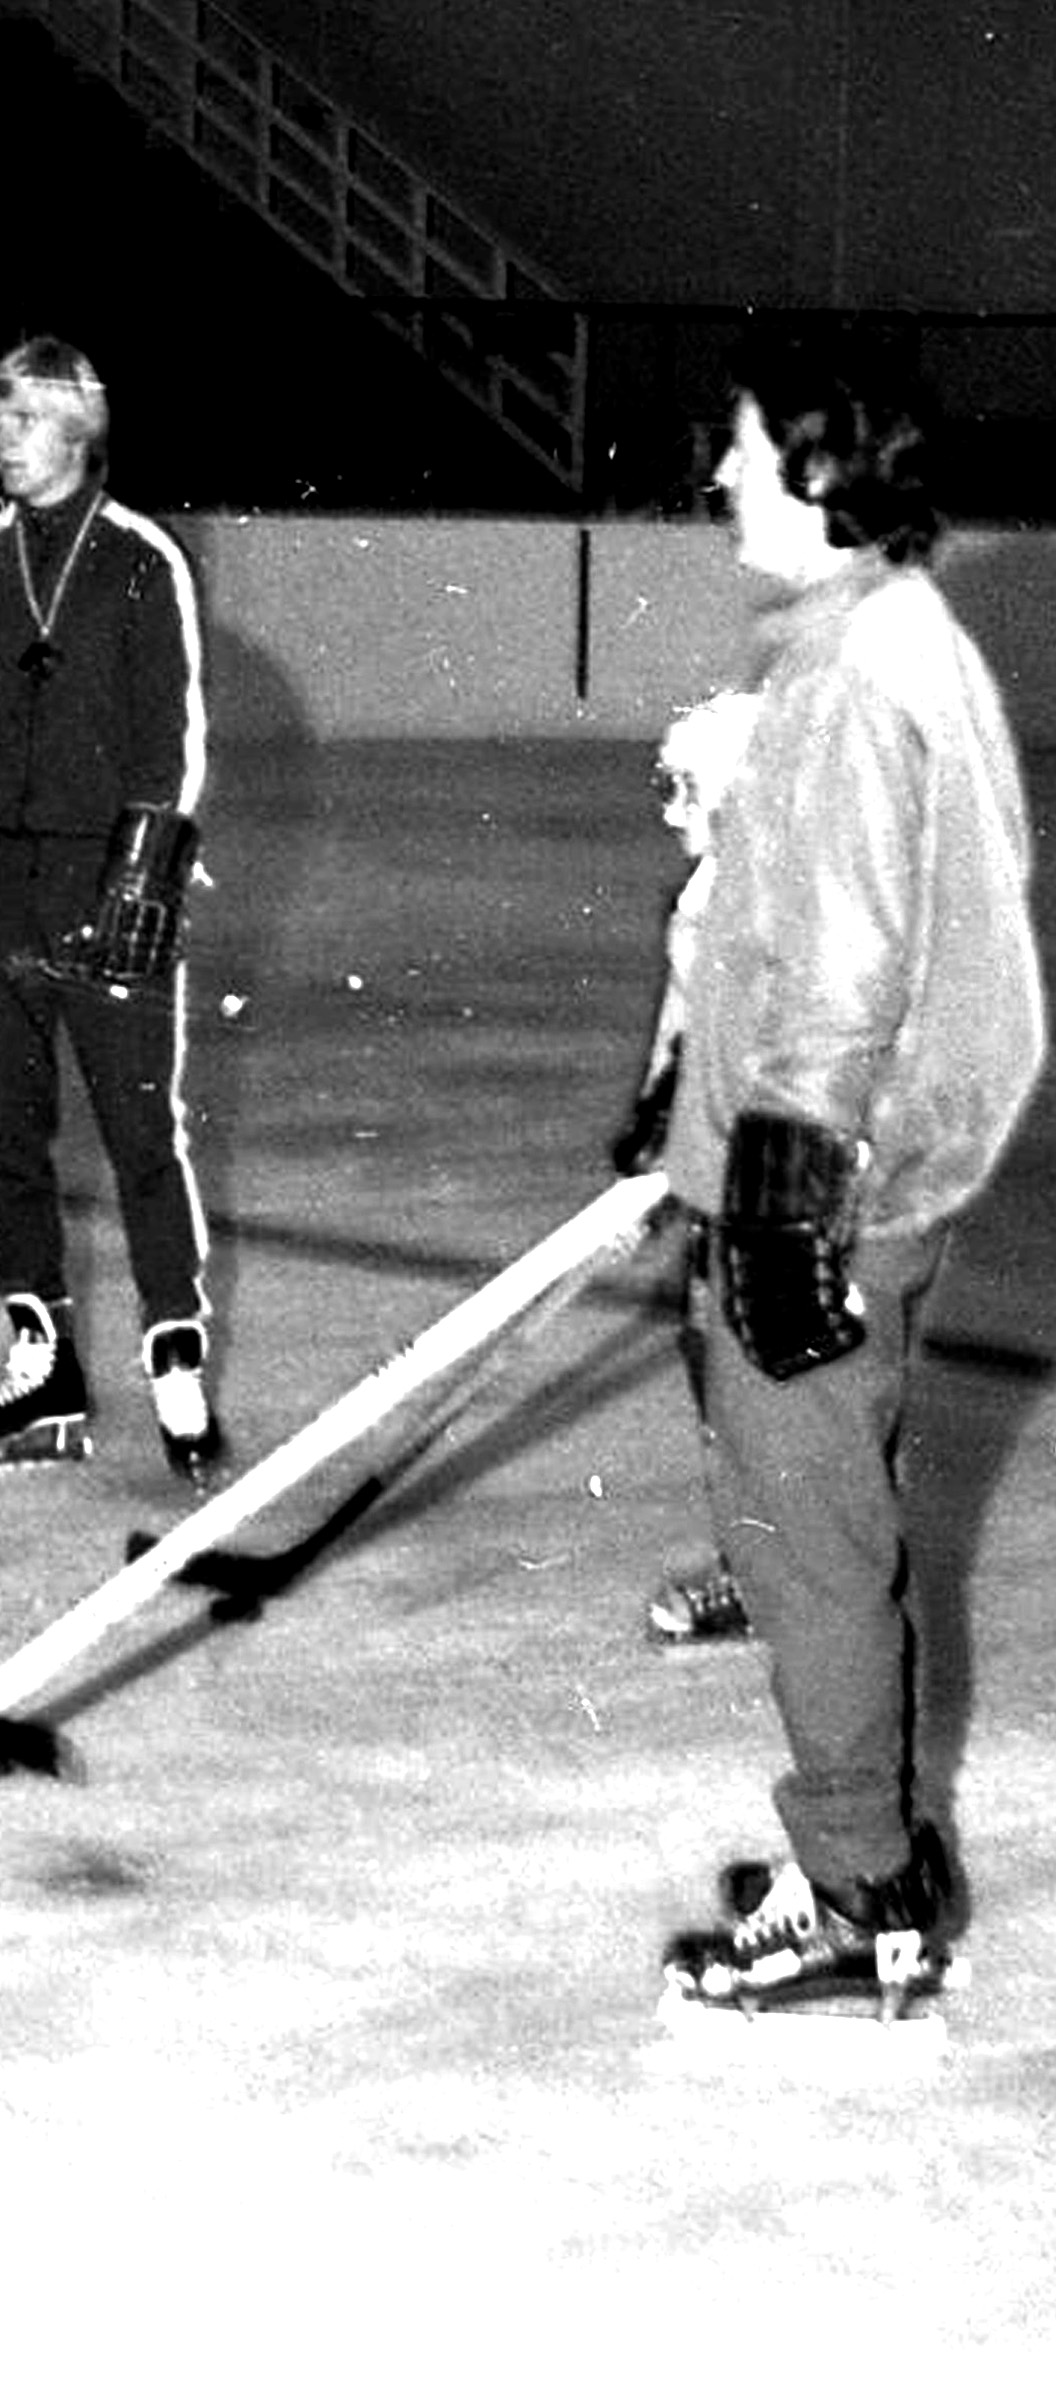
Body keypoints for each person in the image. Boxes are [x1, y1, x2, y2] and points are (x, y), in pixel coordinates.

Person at [657, 332, 1043, 2021]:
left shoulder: (849, 677)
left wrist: (787, 1186)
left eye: (748, 449)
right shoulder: (890, 634)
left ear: (828, 471)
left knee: (807, 1539)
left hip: (826, 1176)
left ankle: (858, 1890)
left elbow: (845, 963)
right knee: (832, 1522)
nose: (723, 476)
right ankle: (878, 1842)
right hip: (885, 1163)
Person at [0, 335, 223, 1486]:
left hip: (100, 880)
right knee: (3, 1132)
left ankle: (173, 1352)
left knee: (139, 1133)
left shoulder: (140, 562)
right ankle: (42, 1355)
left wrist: (146, 876)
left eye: (23, 419)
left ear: (77, 432)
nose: (1, 437)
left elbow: (173, 743)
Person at [609, 686, 762, 1648]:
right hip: (717, 1176)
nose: (671, 812)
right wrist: (653, 1129)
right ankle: (759, 1563)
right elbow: (682, 1027)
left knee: (784, 1376)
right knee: (710, 1348)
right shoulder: (701, 899)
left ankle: (806, 1568)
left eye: (688, 791)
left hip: (792, 1180)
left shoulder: (793, 905)